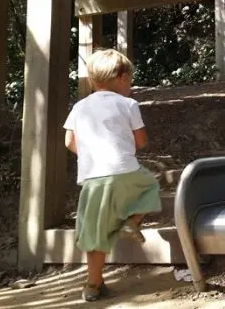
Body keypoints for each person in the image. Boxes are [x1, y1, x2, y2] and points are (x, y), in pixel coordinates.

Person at [63, 49, 161, 302]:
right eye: (129, 79)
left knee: (95, 234)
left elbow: (69, 141)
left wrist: (88, 156)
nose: (130, 85)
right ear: (121, 77)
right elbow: (141, 142)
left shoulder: (80, 106)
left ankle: (93, 286)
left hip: (94, 178)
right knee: (150, 186)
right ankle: (133, 221)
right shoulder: (128, 104)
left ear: (93, 80)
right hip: (126, 171)